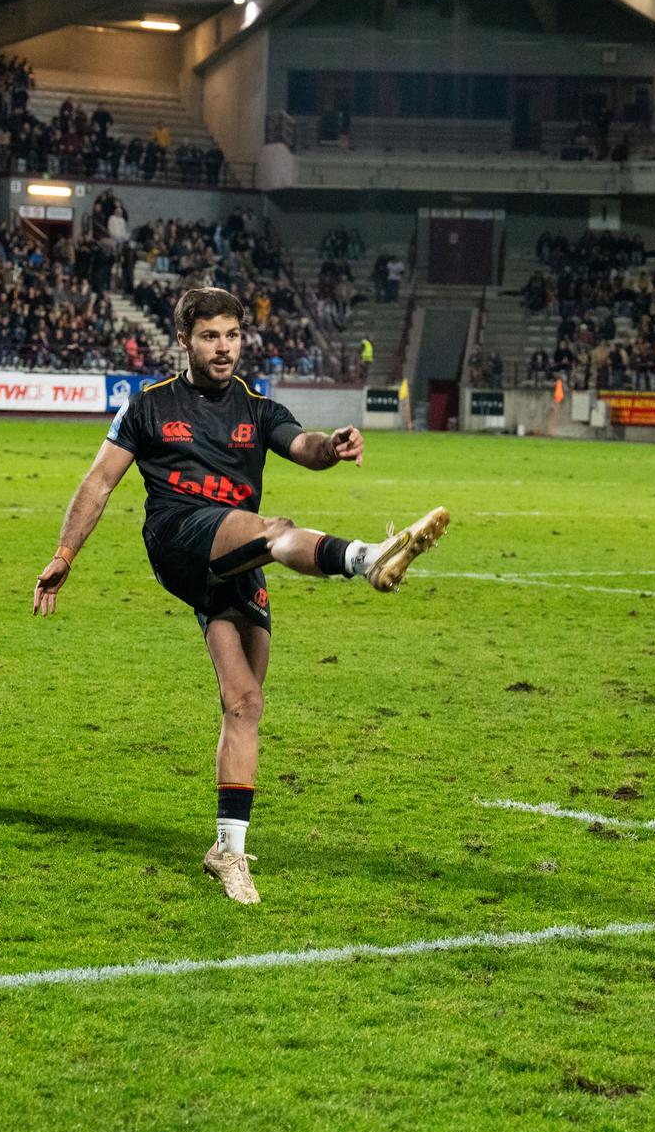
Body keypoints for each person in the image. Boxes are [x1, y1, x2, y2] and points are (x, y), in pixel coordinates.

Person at [33, 287, 449, 905]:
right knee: (276, 529)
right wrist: (65, 554)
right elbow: (97, 482)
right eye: (210, 336)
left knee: (245, 702)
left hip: (237, 556)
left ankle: (228, 849)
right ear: (184, 341)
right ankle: (366, 558)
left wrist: (330, 449)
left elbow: (300, 446)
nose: (224, 347)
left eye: (231, 335)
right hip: (178, 535)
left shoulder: (257, 407)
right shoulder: (147, 407)